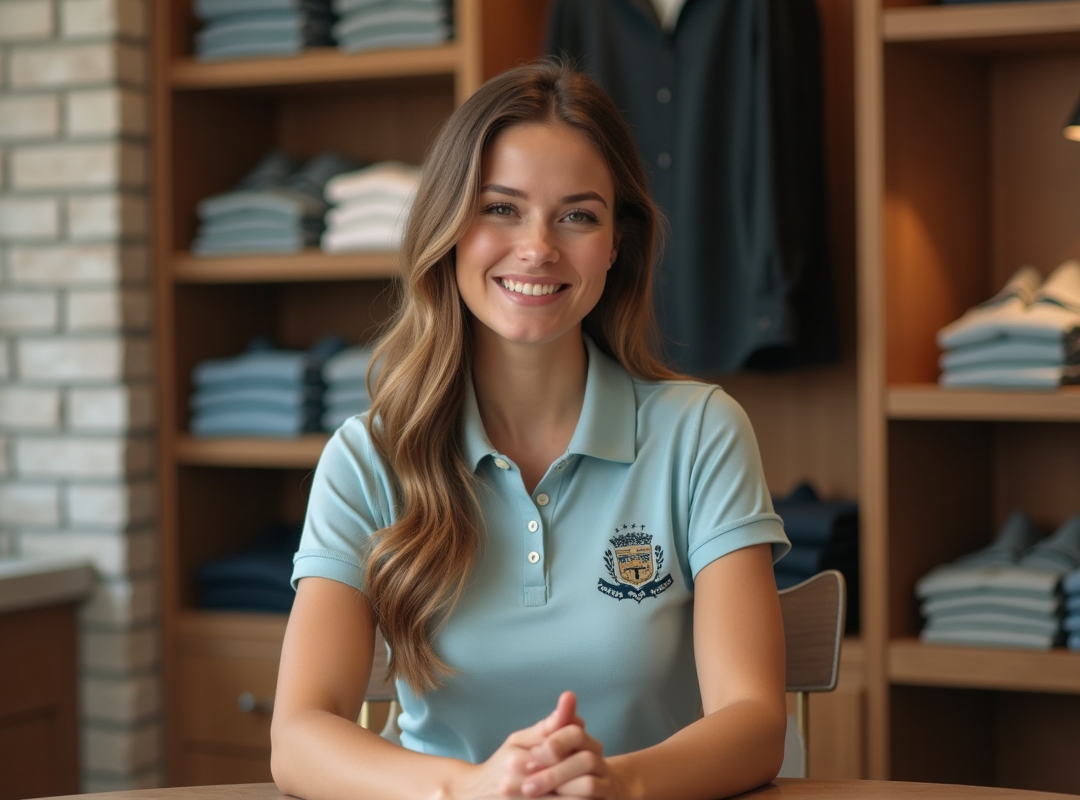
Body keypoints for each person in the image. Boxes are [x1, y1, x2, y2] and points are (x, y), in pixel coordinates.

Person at [271, 58, 791, 800]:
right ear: (448, 230)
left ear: (616, 245)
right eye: (500, 208)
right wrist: (468, 790)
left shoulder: (701, 433)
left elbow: (753, 720)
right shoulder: (367, 458)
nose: (539, 247)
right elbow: (297, 737)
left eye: (578, 215)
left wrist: (619, 784)